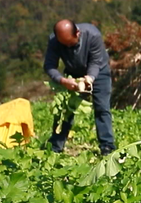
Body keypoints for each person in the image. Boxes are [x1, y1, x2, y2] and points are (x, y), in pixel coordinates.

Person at [43, 19, 115, 155]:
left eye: (70, 44)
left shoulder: (93, 35)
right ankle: (55, 147)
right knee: (65, 110)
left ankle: (107, 146)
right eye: (64, 45)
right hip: (72, 74)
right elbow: (49, 65)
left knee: (102, 108)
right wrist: (63, 81)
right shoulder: (54, 41)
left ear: (77, 33)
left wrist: (90, 78)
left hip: (99, 71)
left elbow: (96, 61)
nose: (68, 47)